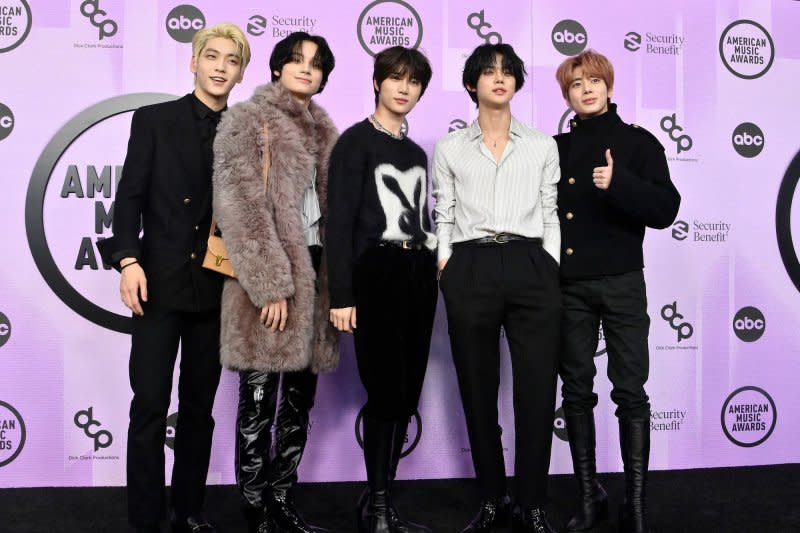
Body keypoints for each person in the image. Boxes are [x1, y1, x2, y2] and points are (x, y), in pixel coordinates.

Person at [98, 22, 249, 533]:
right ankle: (144, 518)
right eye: (212, 56)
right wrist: (127, 261)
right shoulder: (155, 120)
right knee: (149, 405)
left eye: (232, 60)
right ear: (194, 62)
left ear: (241, 72)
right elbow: (129, 199)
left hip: (214, 289)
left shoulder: (248, 136)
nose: (220, 66)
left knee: (199, 410)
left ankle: (189, 511)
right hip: (156, 284)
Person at [211, 32, 339, 533]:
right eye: (296, 60)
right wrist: (269, 286)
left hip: (317, 274)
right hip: (267, 274)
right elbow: (240, 208)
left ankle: (283, 497)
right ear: (276, 67)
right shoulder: (246, 119)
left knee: (300, 399)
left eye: (316, 63)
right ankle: (254, 505)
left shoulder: (327, 131)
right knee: (260, 396)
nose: (306, 69)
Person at [432, 43, 561, 533]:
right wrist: (446, 262)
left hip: (532, 263)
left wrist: (547, 262)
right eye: (489, 72)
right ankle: (492, 499)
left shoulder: (542, 144)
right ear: (472, 84)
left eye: (508, 72)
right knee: (477, 389)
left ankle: (531, 504)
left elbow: (550, 210)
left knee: (536, 390)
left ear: (517, 83)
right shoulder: (449, 148)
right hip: (471, 264)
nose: (499, 79)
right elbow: (443, 211)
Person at [553, 50, 680, 533]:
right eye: (575, 84)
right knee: (577, 391)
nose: (586, 89)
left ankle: (637, 506)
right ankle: (589, 498)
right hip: (570, 286)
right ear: (567, 94)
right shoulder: (556, 147)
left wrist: (618, 182)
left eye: (593, 81)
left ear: (608, 86)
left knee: (630, 391)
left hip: (624, 281)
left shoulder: (638, 143)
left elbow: (666, 209)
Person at [326, 46, 436, 533]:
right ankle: (380, 506)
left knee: (408, 390)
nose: (403, 88)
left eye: (412, 82)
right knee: (387, 389)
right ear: (376, 82)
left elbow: (419, 216)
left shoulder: (414, 153)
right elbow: (340, 222)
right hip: (375, 274)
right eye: (394, 78)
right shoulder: (354, 143)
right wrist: (341, 294)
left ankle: (380, 501)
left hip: (417, 274)